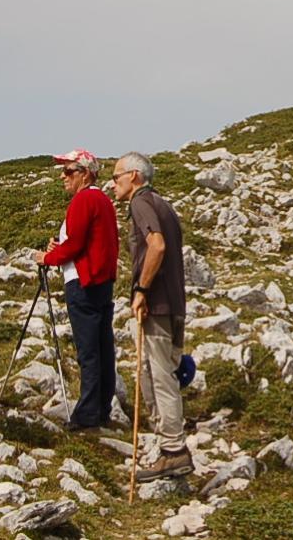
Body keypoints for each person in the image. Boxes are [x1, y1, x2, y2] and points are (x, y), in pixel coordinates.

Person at [113, 152, 194, 481]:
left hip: (157, 305)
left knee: (157, 378)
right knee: (166, 375)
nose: (113, 183)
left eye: (117, 176)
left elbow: (156, 246)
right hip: (174, 305)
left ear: (134, 176)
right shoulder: (165, 205)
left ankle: (173, 452)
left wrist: (141, 290)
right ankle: (172, 450)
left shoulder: (141, 203)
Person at [32, 149, 119, 431]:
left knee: (88, 350)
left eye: (68, 171)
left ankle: (87, 415)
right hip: (101, 281)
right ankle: (101, 408)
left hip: (83, 282)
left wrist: (47, 258)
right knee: (102, 347)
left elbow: (76, 243)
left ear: (85, 173)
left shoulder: (84, 199)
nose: (63, 177)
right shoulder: (103, 200)